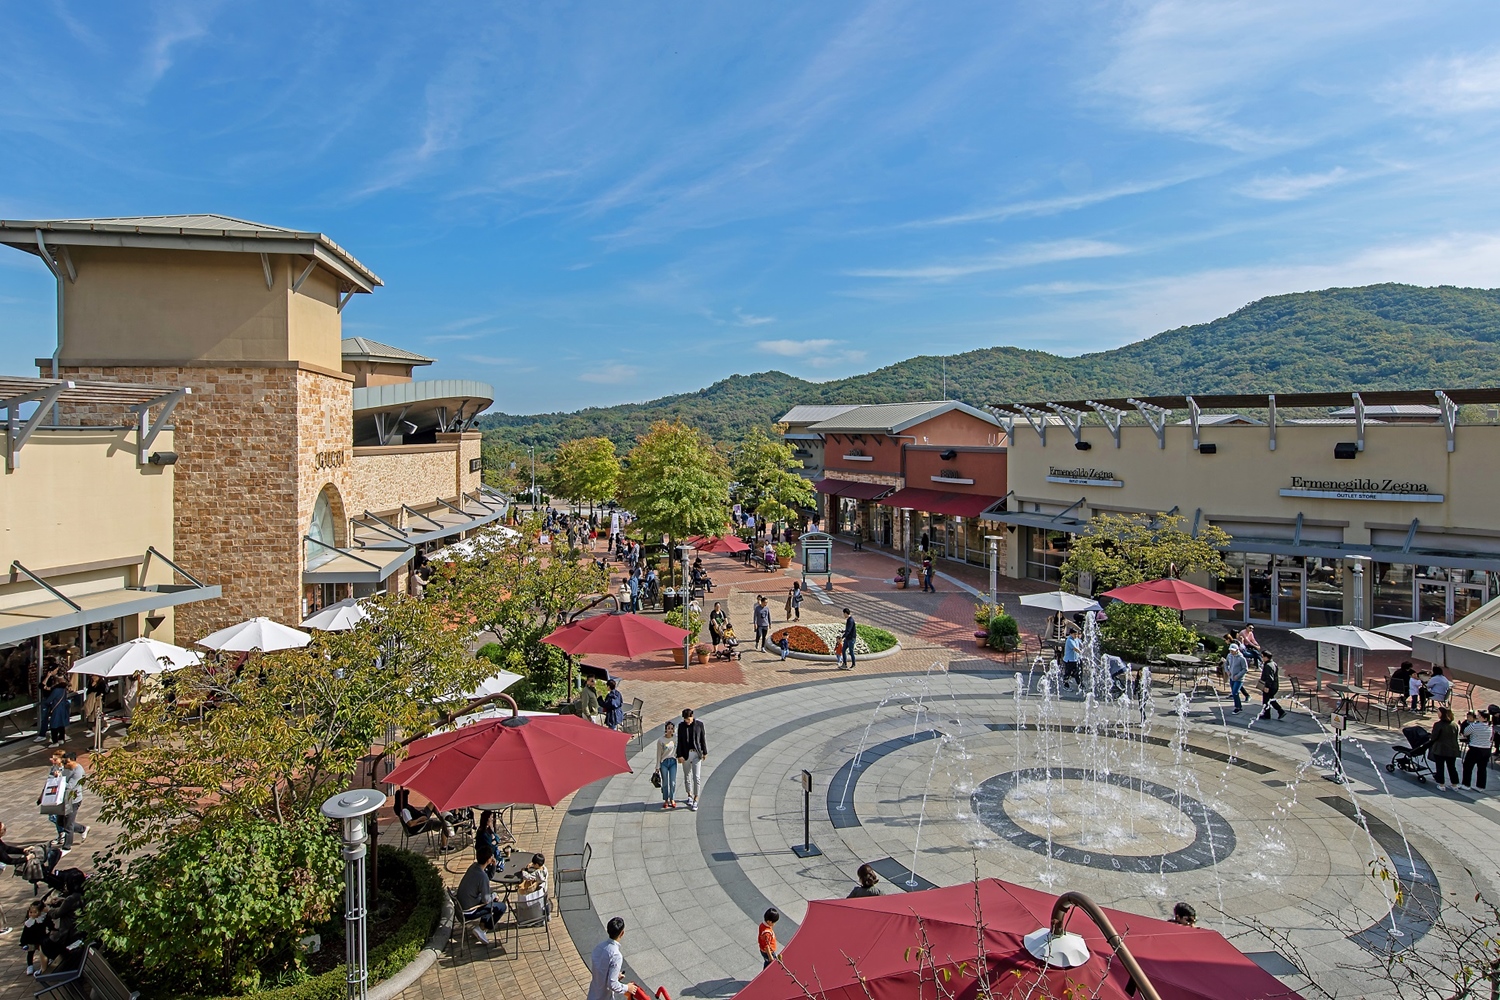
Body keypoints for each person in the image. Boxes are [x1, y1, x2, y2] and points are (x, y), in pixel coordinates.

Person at [457, 846, 507, 945]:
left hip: (461, 906)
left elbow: (488, 877)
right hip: (469, 911)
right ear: (488, 859)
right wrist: (494, 895)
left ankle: (482, 925)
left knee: (492, 899)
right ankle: (482, 929)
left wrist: (493, 866)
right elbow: (486, 900)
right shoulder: (482, 876)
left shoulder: (473, 866)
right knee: (502, 907)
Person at [588, 917, 636, 1000]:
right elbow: (612, 985)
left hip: (593, 994)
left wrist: (615, 975)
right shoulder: (616, 956)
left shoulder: (599, 947)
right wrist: (627, 988)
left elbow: (600, 971)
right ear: (622, 933)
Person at [677, 708, 708, 811]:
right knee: (687, 775)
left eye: (688, 719)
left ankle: (696, 798)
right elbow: (679, 741)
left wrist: (704, 752)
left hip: (696, 753)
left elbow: (702, 739)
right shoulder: (681, 726)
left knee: (696, 777)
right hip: (685, 754)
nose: (687, 721)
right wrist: (679, 755)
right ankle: (689, 795)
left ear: (692, 716)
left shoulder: (699, 725)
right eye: (685, 719)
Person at [57, 751, 88, 848]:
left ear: (73, 761)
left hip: (73, 799)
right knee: (60, 822)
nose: (65, 764)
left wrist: (59, 779)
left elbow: (70, 787)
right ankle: (82, 829)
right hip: (63, 798)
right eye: (64, 762)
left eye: (67, 762)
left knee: (68, 825)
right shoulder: (65, 768)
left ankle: (67, 846)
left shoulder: (78, 772)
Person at [1429, 706, 1462, 789]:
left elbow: (1434, 737)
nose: (1437, 713)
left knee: (1440, 767)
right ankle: (1454, 784)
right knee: (1452, 767)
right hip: (1452, 749)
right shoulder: (1454, 725)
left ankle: (1441, 784)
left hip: (1440, 749)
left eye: (1438, 712)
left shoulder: (1438, 725)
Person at [1461, 709, 1493, 790]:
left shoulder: (1474, 726)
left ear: (1484, 718)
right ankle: (1480, 786)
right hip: (1486, 749)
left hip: (1475, 748)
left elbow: (1465, 732)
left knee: (1468, 766)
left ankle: (1466, 784)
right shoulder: (1490, 726)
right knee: (1482, 768)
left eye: (1479, 716)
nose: (1477, 717)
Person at [1257, 654, 1287, 720]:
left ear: (1266, 657)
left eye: (1263, 656)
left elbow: (1269, 678)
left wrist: (1267, 686)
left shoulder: (1268, 665)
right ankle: (1280, 711)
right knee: (1270, 699)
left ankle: (1268, 714)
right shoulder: (1273, 663)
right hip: (1274, 686)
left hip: (1270, 686)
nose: (1262, 658)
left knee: (1266, 700)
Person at [656, 722, 679, 809]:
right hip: (664, 762)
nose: (670, 730)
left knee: (672, 782)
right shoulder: (661, 740)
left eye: (672, 728)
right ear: (666, 729)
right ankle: (666, 799)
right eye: (668, 728)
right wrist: (657, 766)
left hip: (673, 761)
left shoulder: (675, 738)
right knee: (665, 782)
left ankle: (672, 798)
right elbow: (659, 754)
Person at [1224, 643, 1249, 714]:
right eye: (1230, 651)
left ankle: (1238, 707)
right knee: (1234, 692)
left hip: (1239, 679)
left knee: (1235, 692)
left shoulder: (1241, 658)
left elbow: (1245, 669)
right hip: (1231, 677)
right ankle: (1238, 706)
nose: (1231, 652)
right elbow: (1226, 663)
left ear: (1237, 650)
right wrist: (1227, 671)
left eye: (1233, 651)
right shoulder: (1229, 656)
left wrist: (1238, 676)